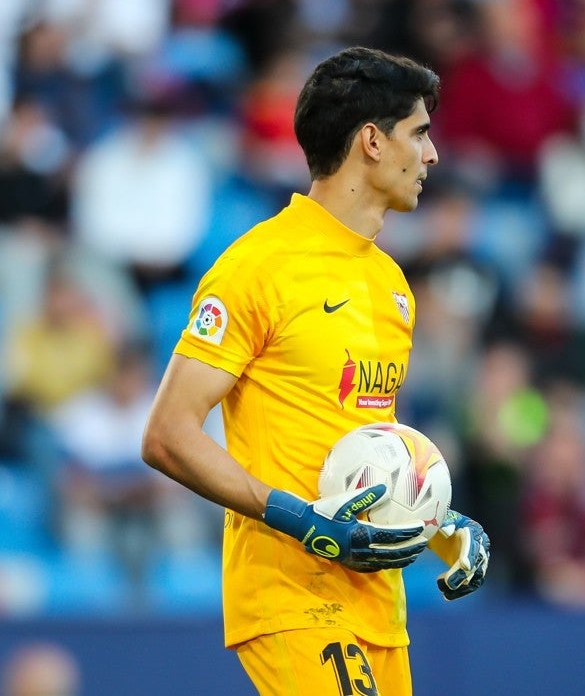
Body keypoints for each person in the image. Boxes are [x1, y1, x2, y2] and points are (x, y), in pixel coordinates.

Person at [141, 47, 490, 695]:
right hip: (291, 593)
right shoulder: (258, 268)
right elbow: (168, 435)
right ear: (371, 142)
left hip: (377, 605)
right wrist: (305, 522)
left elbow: (362, 446)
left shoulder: (391, 284)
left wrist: (440, 525)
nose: (433, 155)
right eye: (419, 133)